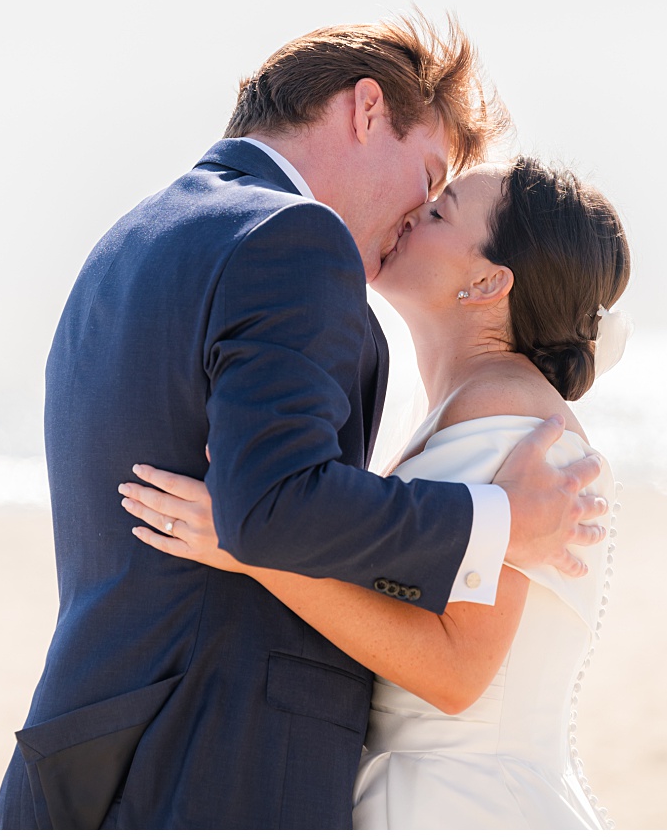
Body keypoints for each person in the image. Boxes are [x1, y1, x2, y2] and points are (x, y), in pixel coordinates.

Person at [0, 15, 609, 829]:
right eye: (427, 173)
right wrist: (496, 519)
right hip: (223, 757)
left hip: (94, 746)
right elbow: (270, 506)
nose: (419, 210)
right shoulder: (292, 234)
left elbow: (253, 512)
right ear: (365, 110)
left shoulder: (130, 240)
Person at [122, 156, 631, 828]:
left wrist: (249, 545)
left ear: (486, 281)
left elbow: (457, 670)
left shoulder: (518, 428)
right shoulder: (466, 414)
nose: (414, 210)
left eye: (441, 211)